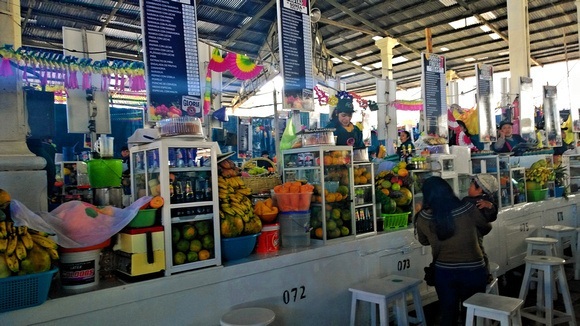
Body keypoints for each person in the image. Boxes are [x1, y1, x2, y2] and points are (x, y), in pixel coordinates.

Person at [415, 176, 492, 325]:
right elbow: (486, 228)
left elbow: (423, 241)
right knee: (473, 315)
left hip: (444, 273)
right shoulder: (468, 208)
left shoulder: (423, 217)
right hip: (474, 270)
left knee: (448, 314)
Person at [461, 174, 499, 281]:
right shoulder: (487, 201)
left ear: (479, 190)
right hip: (477, 234)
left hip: (471, 234)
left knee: (477, 254)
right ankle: (485, 274)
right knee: (480, 252)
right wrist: (490, 206)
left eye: (471, 186)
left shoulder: (471, 202)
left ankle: (484, 276)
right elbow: (492, 216)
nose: (469, 188)